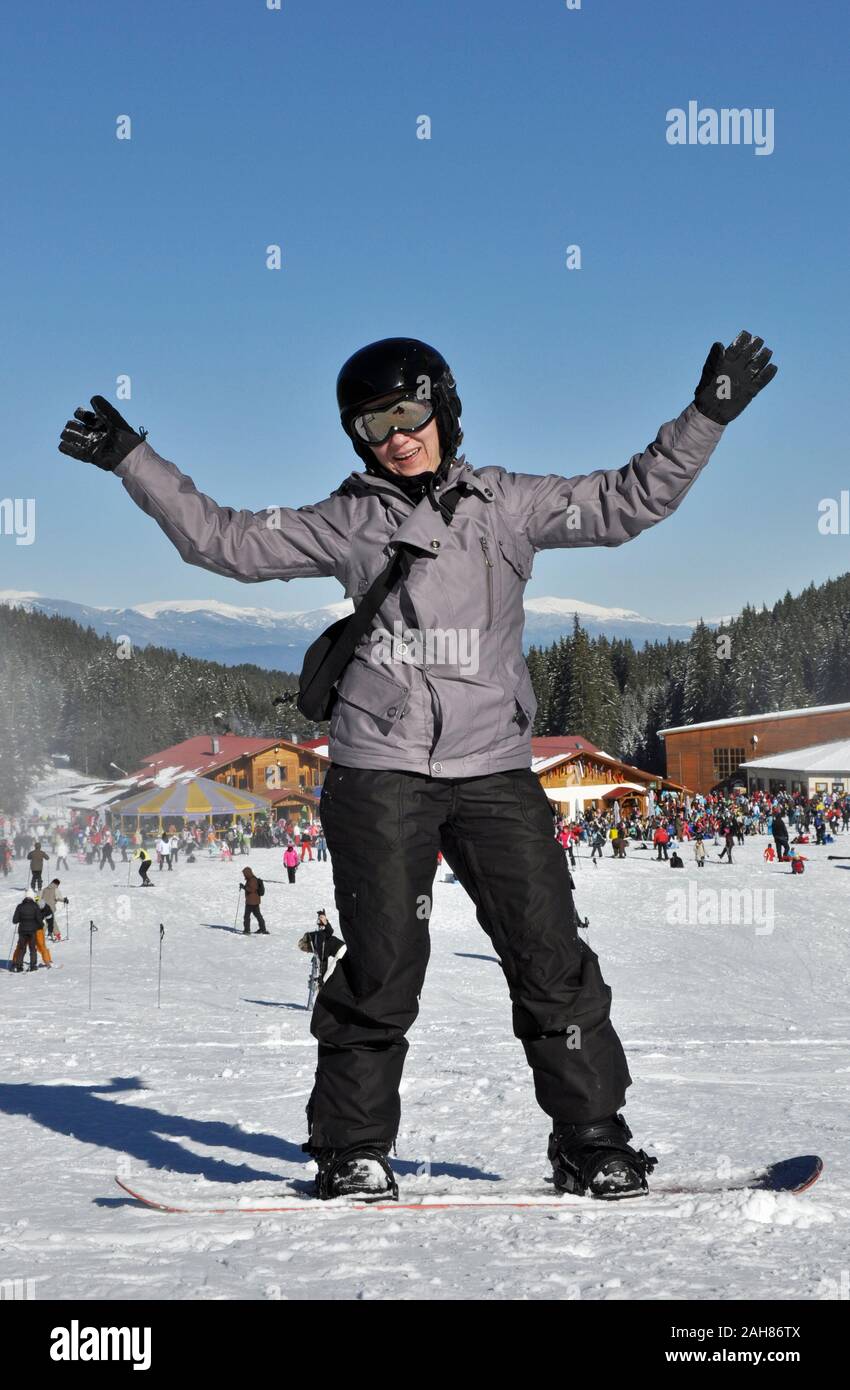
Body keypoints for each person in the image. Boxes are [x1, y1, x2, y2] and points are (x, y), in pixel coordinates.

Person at [58, 328, 777, 1202]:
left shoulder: (507, 503)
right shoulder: (348, 518)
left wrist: (708, 415)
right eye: (371, 425)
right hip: (380, 768)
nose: (396, 436)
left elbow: (628, 500)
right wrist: (136, 459)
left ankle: (592, 1138)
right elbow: (227, 543)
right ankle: (352, 1148)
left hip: (493, 769)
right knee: (385, 962)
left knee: (550, 956)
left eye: (407, 411)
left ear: (442, 405)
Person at [11, 891, 48, 972]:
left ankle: (19, 966)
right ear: (32, 897)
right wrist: (41, 925)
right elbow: (39, 919)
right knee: (32, 949)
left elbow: (14, 920)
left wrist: (21, 918)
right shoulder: (35, 906)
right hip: (32, 931)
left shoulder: (19, 906)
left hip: (22, 931)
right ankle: (33, 966)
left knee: (21, 948)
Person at [240, 867, 269, 935]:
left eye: (244, 874)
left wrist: (243, 887)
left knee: (247, 916)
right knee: (258, 915)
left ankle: (247, 930)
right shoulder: (251, 879)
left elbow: (251, 889)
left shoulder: (252, 880)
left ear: (248, 873)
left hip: (251, 902)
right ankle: (262, 929)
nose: (244, 875)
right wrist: (244, 887)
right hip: (254, 901)